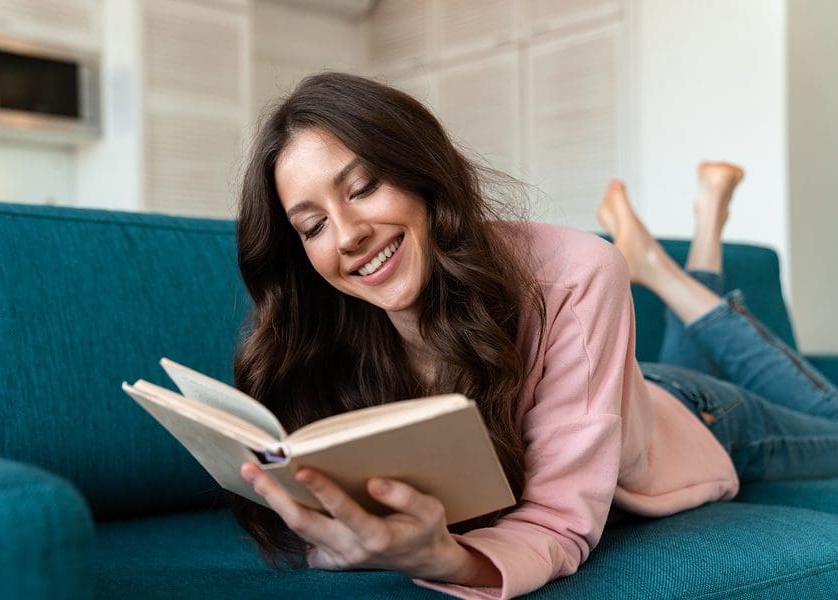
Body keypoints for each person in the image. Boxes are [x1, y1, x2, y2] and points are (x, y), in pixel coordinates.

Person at [229, 72, 838, 599]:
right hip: (609, 387)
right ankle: (698, 234)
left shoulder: (575, 272)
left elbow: (559, 524)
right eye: (312, 226)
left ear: (422, 173)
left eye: (362, 189)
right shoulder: (326, 320)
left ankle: (661, 268)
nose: (347, 235)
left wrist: (443, 558)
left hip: (692, 417)